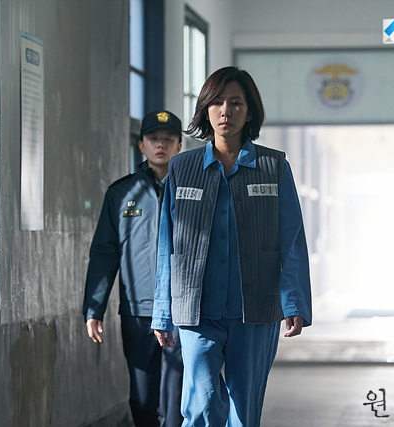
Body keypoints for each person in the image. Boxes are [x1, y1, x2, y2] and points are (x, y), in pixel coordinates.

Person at [151, 66, 312, 426]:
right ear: (206, 110)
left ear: (249, 111)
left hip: (254, 310)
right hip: (197, 311)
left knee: (244, 412)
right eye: (218, 102)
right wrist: (162, 311)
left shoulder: (273, 167)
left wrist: (294, 301)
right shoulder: (182, 169)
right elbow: (167, 245)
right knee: (201, 406)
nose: (226, 111)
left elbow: (291, 240)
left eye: (236, 103)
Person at [83, 110, 184, 427]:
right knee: (141, 397)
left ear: (179, 146)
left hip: (183, 310)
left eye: (168, 139)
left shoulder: (193, 191)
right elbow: (104, 253)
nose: (160, 145)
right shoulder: (121, 193)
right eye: (153, 139)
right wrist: (94, 308)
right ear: (141, 145)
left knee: (177, 396)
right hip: (138, 311)